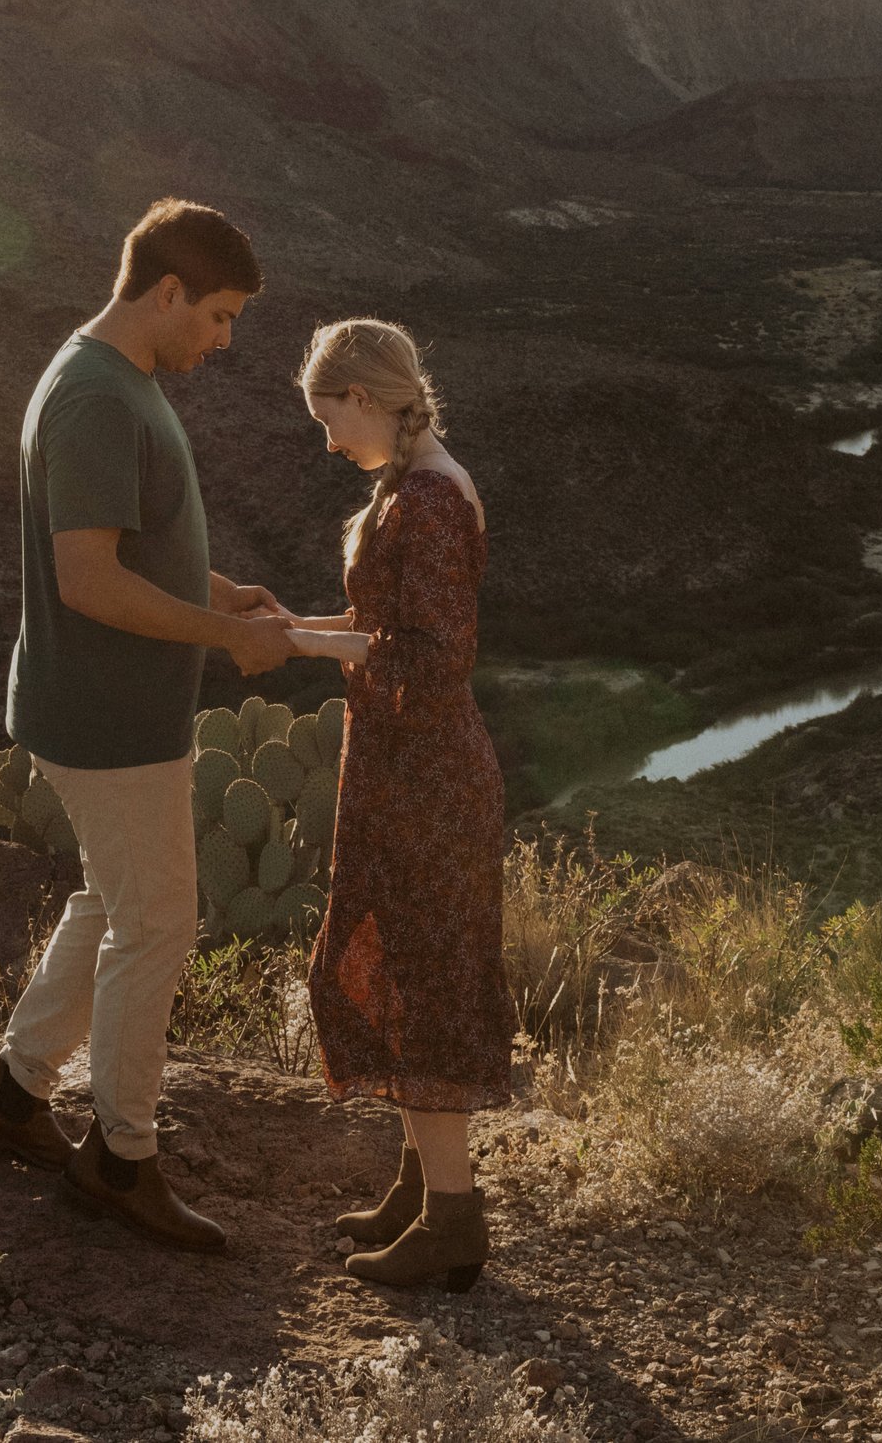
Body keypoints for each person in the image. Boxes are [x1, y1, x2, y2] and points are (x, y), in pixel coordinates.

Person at [0, 199, 297, 1253]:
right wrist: (215, 635)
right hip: (108, 715)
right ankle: (121, 1158)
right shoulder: (99, 398)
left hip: (102, 706)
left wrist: (220, 590)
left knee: (112, 900)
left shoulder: (108, 377)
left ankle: (12, 1097)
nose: (223, 341)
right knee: (159, 923)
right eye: (219, 317)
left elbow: (131, 542)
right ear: (166, 292)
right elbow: (89, 579)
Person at [286, 318, 514, 1291]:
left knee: (422, 982)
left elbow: (432, 655)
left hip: (424, 779)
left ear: (364, 399)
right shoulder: (408, 483)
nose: (327, 441)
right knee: (409, 965)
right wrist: (297, 624)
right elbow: (388, 624)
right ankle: (422, 1188)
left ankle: (452, 1222)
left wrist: (306, 648)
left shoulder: (421, 500)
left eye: (329, 418)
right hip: (401, 772)